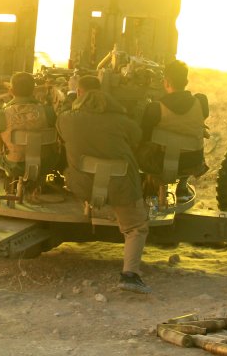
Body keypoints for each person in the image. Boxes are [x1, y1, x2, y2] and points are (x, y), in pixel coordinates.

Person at [56, 75, 152, 295]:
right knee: (136, 228)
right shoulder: (123, 121)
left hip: (82, 185)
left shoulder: (67, 119)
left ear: (79, 93)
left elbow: (60, 130)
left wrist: (70, 96)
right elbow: (137, 138)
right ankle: (130, 275)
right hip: (121, 186)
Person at [0, 71, 57, 194]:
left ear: (11, 91)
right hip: (45, 164)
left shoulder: (1, 114)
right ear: (33, 90)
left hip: (13, 165)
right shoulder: (49, 112)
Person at [139, 60, 209, 203]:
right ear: (186, 81)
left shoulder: (155, 108)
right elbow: (200, 120)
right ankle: (182, 187)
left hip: (159, 162)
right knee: (191, 141)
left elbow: (144, 136)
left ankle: (149, 183)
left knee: (141, 147)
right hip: (192, 162)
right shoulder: (201, 101)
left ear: (166, 82)